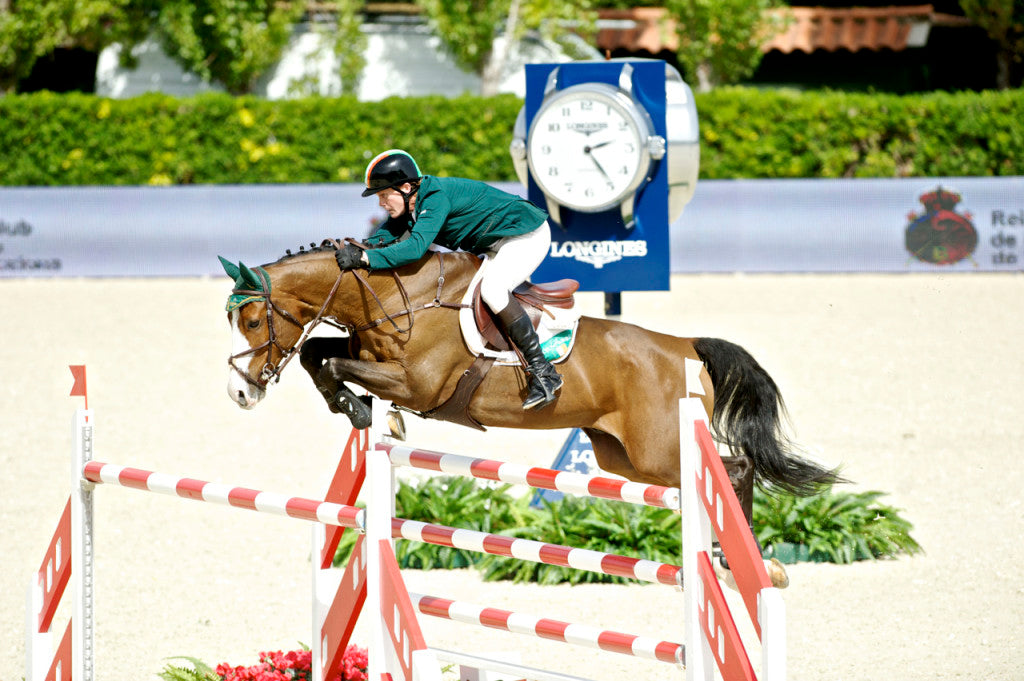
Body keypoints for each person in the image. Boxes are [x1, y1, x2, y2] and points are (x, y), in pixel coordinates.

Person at [334, 149, 563, 410]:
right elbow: (381, 238)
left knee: (493, 290)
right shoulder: (412, 202)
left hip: (525, 235)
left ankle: (544, 372)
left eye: (384, 195)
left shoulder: (434, 198)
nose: (381, 203)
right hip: (496, 243)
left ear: (407, 187)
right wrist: (357, 250)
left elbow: (414, 248)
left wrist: (366, 259)